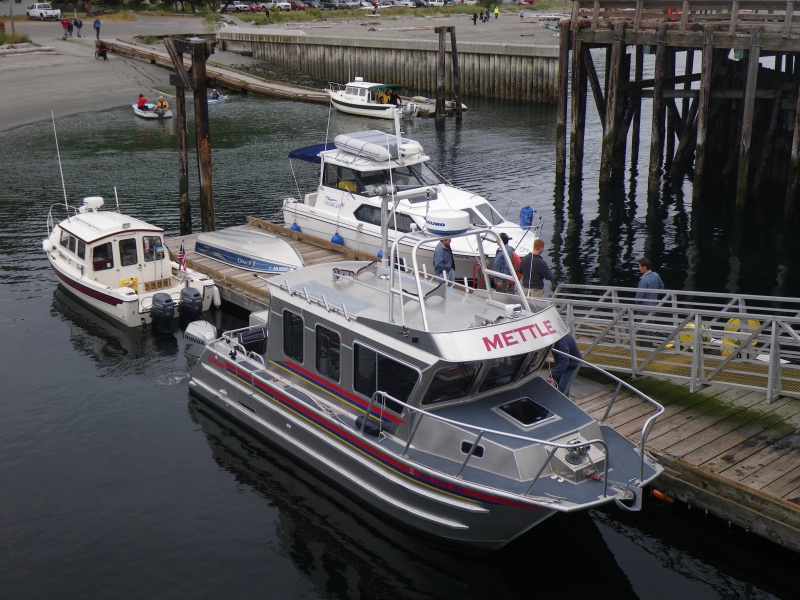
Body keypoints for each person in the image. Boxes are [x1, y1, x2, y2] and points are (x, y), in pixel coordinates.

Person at [547, 333, 582, 397]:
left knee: (563, 387)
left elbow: (564, 362)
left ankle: (564, 402)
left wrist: (552, 376)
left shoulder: (562, 343)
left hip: (572, 365)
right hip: (563, 363)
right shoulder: (560, 336)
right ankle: (558, 399)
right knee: (557, 382)